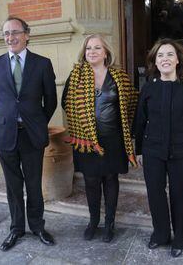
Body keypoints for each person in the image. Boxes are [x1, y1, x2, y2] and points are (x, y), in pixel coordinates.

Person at [0, 16, 57, 251]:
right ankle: (16, 228)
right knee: (13, 186)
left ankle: (37, 226)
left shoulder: (42, 64)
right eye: (6, 33)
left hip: (31, 135)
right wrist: (9, 119)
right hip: (6, 134)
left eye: (15, 32)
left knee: (34, 184)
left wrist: (34, 122)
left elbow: (51, 101)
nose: (10, 37)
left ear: (27, 34)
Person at [134, 38, 183, 258]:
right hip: (153, 150)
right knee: (155, 193)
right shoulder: (149, 88)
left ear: (177, 60)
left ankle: (181, 238)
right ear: (154, 62)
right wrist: (139, 150)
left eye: (169, 55)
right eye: (160, 55)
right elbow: (140, 121)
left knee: (180, 194)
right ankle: (161, 234)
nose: (164, 59)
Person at [61, 34, 138, 243]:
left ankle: (110, 223)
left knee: (111, 179)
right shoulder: (76, 75)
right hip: (86, 141)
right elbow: (65, 103)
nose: (92, 52)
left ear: (106, 52)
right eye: (88, 48)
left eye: (96, 48)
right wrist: (83, 123)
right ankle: (93, 221)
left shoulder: (119, 77)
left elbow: (131, 104)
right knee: (91, 180)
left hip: (113, 139)